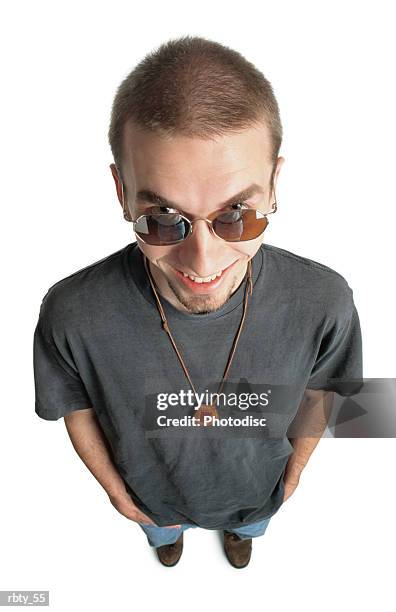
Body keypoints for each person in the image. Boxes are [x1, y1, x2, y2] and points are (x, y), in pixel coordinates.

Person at [33, 35, 363, 569]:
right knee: (163, 537)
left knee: (248, 526)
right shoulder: (71, 312)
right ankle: (171, 543)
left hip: (261, 495)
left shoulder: (326, 299)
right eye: (164, 220)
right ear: (122, 194)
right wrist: (120, 497)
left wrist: (293, 477)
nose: (203, 262)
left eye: (237, 215)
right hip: (152, 503)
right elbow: (74, 406)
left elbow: (334, 393)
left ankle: (240, 535)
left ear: (275, 184)